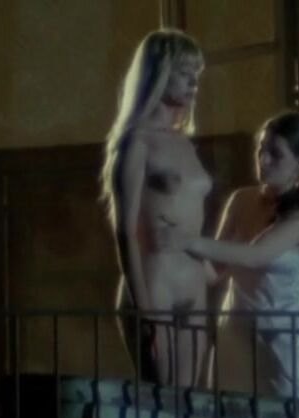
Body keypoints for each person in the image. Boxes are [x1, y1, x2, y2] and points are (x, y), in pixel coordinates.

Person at [168, 111, 299, 400]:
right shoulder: (241, 200)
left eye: (275, 154)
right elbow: (214, 272)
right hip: (234, 336)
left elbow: (255, 255)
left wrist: (189, 241)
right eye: (261, 149)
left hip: (279, 344)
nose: (264, 159)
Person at [101, 29, 215, 387]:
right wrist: (145, 311)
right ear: (159, 73)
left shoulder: (184, 141)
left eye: (196, 73)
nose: (193, 82)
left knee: (188, 403)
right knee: (162, 402)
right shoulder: (136, 143)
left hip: (192, 284)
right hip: (156, 282)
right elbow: (125, 231)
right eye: (184, 72)